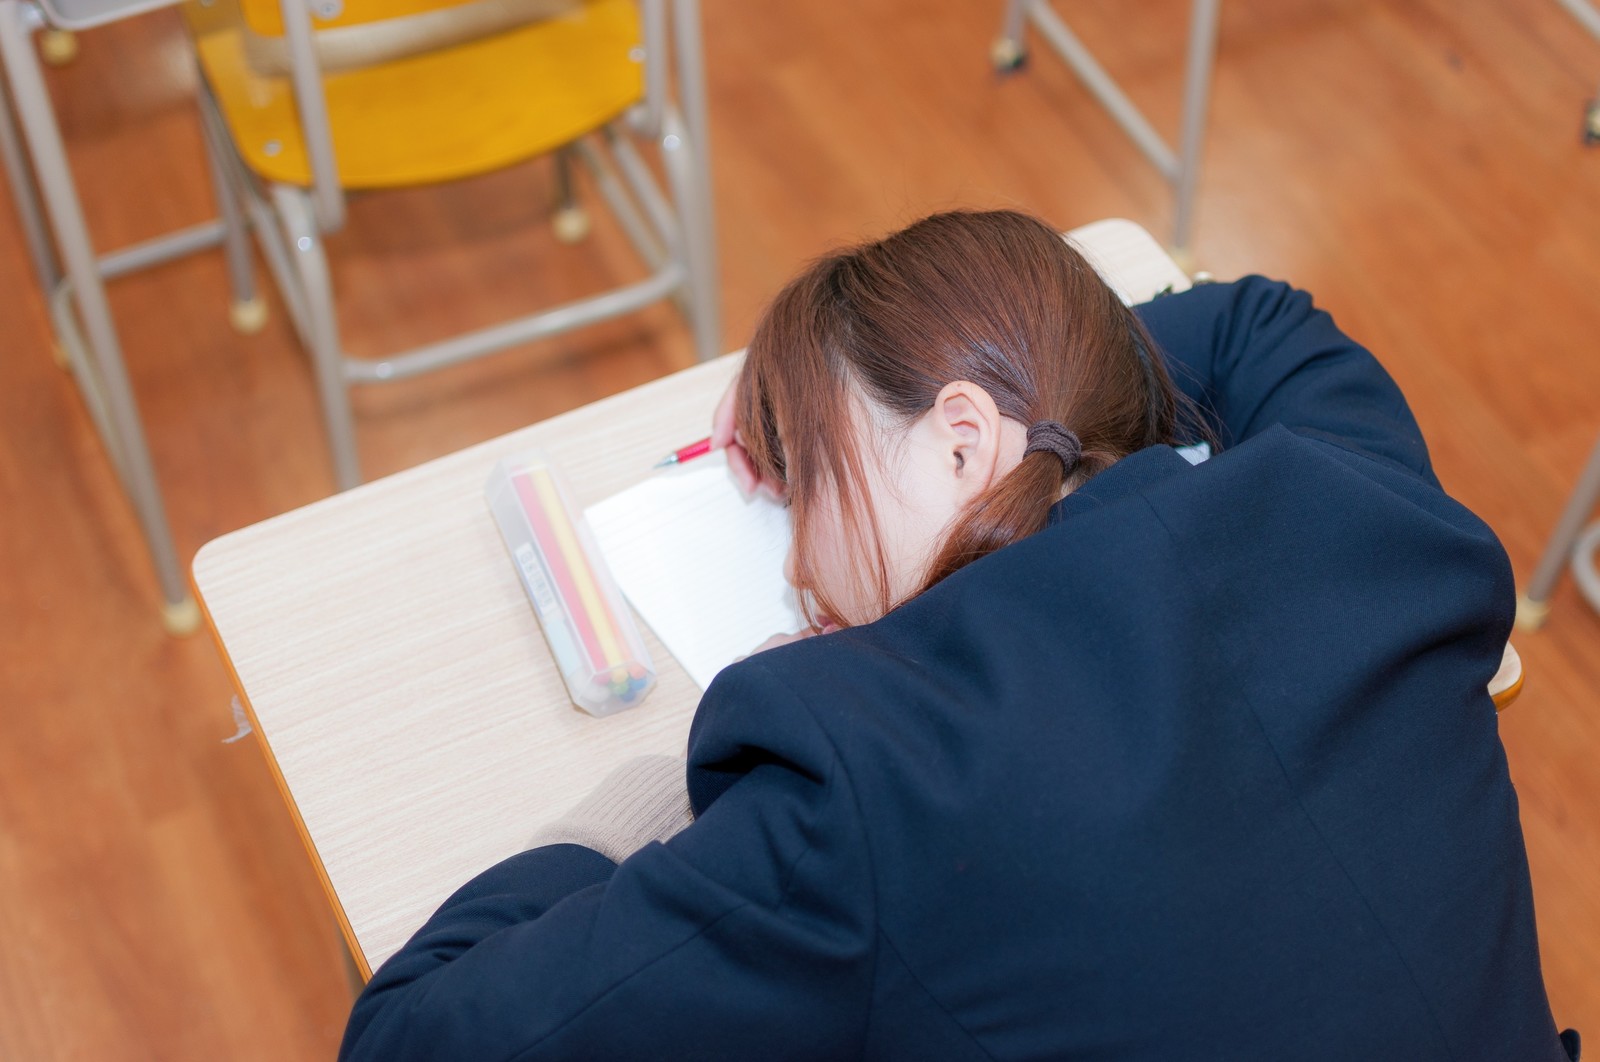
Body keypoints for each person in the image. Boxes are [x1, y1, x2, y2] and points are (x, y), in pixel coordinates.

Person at [340, 210, 1576, 1061]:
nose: (794, 563)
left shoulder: (866, 786)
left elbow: (410, 1036)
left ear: (961, 438)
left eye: (812, 477)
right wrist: (1063, 399)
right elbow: (1256, 322)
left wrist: (632, 803)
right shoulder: (1354, 500)